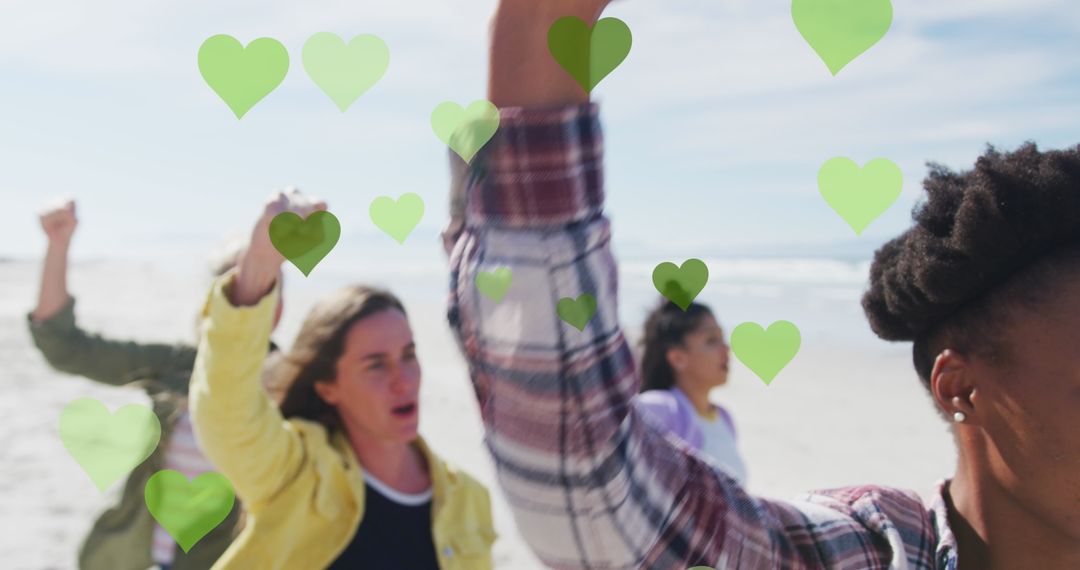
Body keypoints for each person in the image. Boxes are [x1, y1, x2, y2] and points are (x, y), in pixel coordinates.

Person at [441, 0, 1080, 568]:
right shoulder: (874, 550)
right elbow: (600, 498)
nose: (726, 354)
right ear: (960, 387)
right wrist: (545, 24)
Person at [188, 190, 496, 569]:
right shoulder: (300, 475)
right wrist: (258, 269)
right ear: (327, 387)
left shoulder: (467, 498)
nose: (403, 380)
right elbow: (226, 415)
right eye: (375, 365)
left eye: (408, 356)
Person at [27, 198, 284, 570]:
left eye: (268, 281)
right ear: (212, 298)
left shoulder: (294, 380)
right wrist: (58, 243)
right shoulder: (175, 366)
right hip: (139, 557)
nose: (253, 292)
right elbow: (64, 348)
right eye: (238, 280)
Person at [634, 300, 748, 485]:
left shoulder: (724, 418)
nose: (726, 349)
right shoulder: (658, 407)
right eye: (712, 340)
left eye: (722, 338)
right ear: (678, 358)